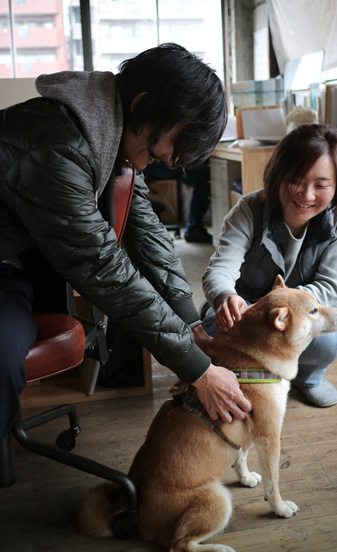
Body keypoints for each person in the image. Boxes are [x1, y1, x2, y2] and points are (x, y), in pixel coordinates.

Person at [0, 43, 251, 444]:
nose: (171, 160)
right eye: (176, 142)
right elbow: (102, 265)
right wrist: (199, 371)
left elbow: (150, 235)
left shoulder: (111, 138)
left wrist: (190, 326)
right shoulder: (57, 144)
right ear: (144, 104)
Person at [201, 123, 337, 408]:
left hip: (304, 313)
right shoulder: (249, 209)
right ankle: (244, 378)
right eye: (296, 180)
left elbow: (331, 285)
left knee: (327, 341)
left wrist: (282, 310)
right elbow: (220, 269)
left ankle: (307, 377)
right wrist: (226, 296)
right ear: (277, 174)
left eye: (321, 185)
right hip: (249, 309)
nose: (307, 195)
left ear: (336, 186)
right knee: (212, 327)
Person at [143, 159, 212, 243]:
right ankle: (194, 228)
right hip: (152, 163)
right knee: (203, 175)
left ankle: (194, 229)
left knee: (198, 173)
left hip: (150, 164)